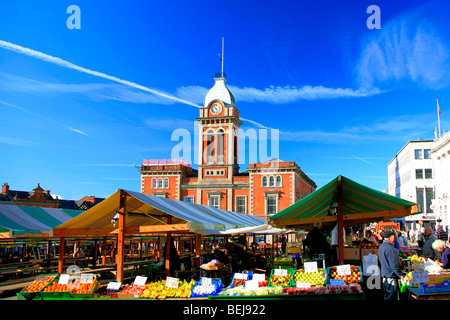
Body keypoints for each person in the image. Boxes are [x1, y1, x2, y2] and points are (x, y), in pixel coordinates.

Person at [378, 230, 404, 300]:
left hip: (385, 274)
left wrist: (396, 258)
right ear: (391, 238)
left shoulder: (381, 247)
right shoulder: (392, 249)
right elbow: (394, 265)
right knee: (391, 296)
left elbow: (385, 258)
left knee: (387, 295)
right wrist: (401, 275)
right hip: (391, 275)